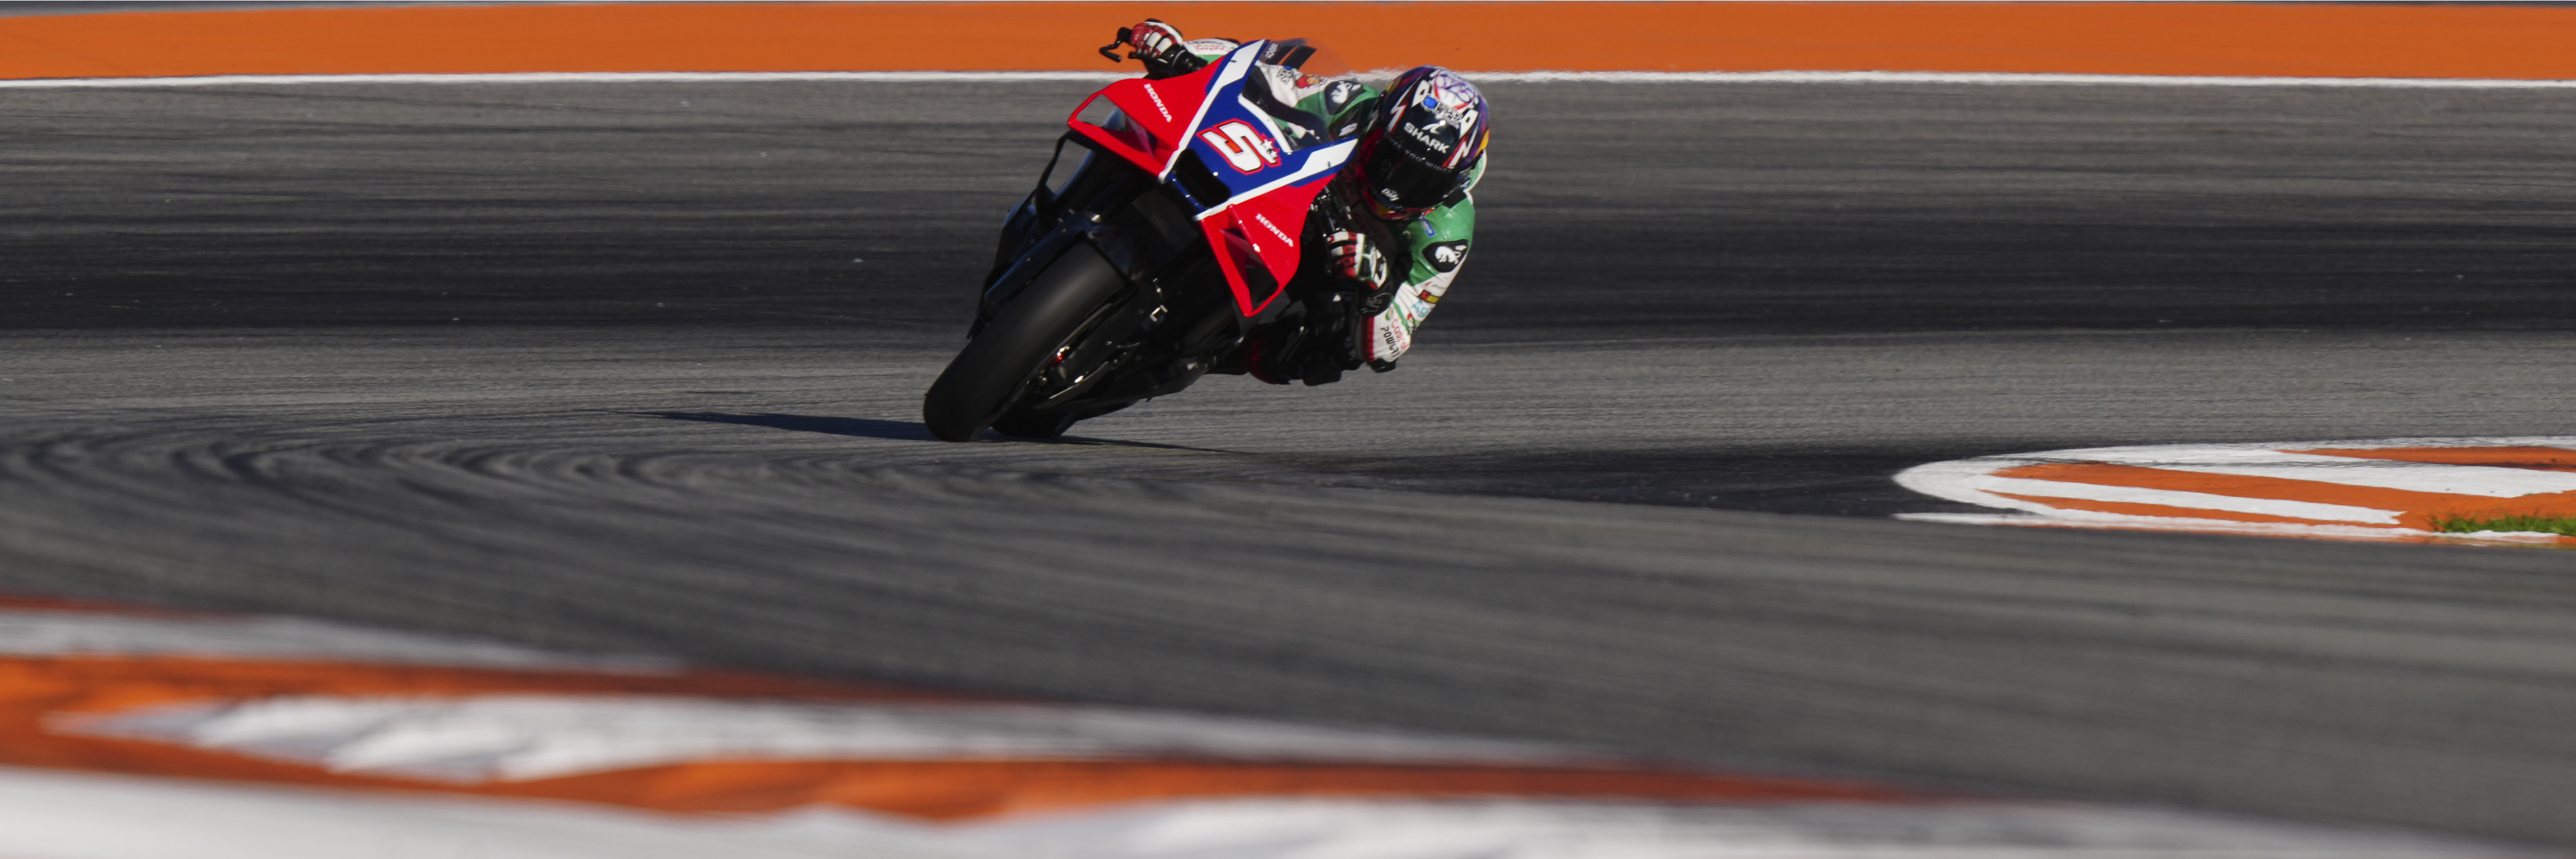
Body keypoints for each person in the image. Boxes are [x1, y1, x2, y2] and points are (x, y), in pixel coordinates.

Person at [1114, 20, 1487, 386]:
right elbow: (1255, 68)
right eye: (1389, 159)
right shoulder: (1348, 104)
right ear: (1377, 124)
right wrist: (1182, 50)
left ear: (1455, 181)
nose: (1394, 189)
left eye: (1423, 182)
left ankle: (1220, 354)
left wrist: (1376, 287)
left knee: (1339, 346)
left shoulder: (1449, 234)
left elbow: (1390, 346)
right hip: (1281, 198)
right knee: (1171, 128)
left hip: (1332, 269)